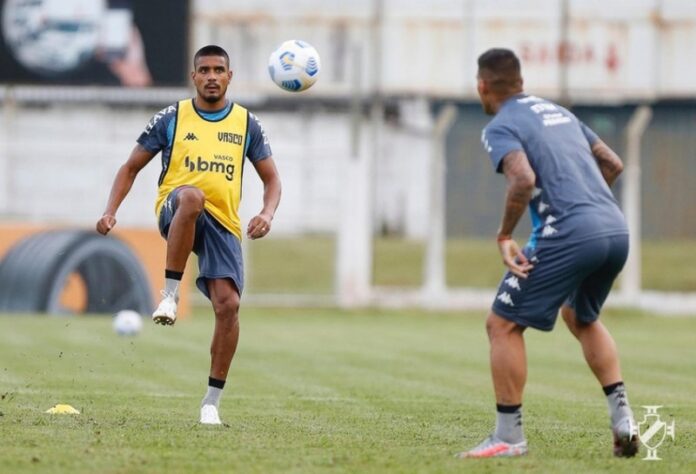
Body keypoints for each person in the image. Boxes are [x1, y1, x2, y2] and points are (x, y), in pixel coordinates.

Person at [458, 48, 637, 458]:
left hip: (571, 232)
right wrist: (587, 206)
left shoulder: (501, 124)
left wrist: (505, 235)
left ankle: (508, 437)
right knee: (581, 315)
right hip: (613, 226)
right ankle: (623, 419)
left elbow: (522, 179)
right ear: (520, 81)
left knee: (501, 325)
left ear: (482, 86)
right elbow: (613, 162)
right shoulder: (559, 113)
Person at [96, 45, 281, 425]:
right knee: (192, 196)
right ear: (193, 76)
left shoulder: (247, 124)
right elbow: (130, 167)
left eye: (219, 70)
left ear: (230, 76)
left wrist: (266, 212)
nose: (212, 76)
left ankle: (211, 402)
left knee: (228, 306)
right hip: (177, 208)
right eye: (204, 70)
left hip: (225, 223)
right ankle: (168, 296)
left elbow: (272, 179)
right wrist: (110, 211)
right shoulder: (171, 117)